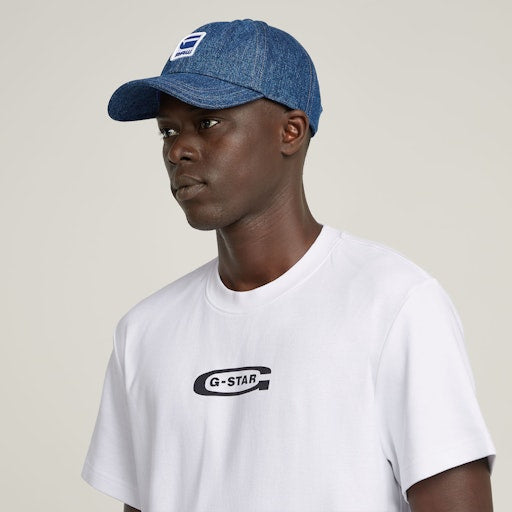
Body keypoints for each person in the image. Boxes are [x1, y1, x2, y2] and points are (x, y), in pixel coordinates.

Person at [81, 19, 495, 512]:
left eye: (207, 123)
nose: (177, 149)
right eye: (168, 130)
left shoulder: (395, 305)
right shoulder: (144, 333)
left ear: (290, 131)